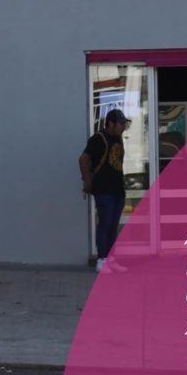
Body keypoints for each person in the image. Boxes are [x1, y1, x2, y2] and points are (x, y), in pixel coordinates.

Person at [79, 109, 129, 273]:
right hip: (104, 189)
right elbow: (83, 159)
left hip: (118, 189)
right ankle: (101, 260)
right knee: (105, 224)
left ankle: (110, 258)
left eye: (124, 124)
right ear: (111, 123)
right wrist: (87, 181)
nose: (123, 127)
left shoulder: (118, 139)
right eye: (120, 124)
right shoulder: (98, 139)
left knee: (113, 226)